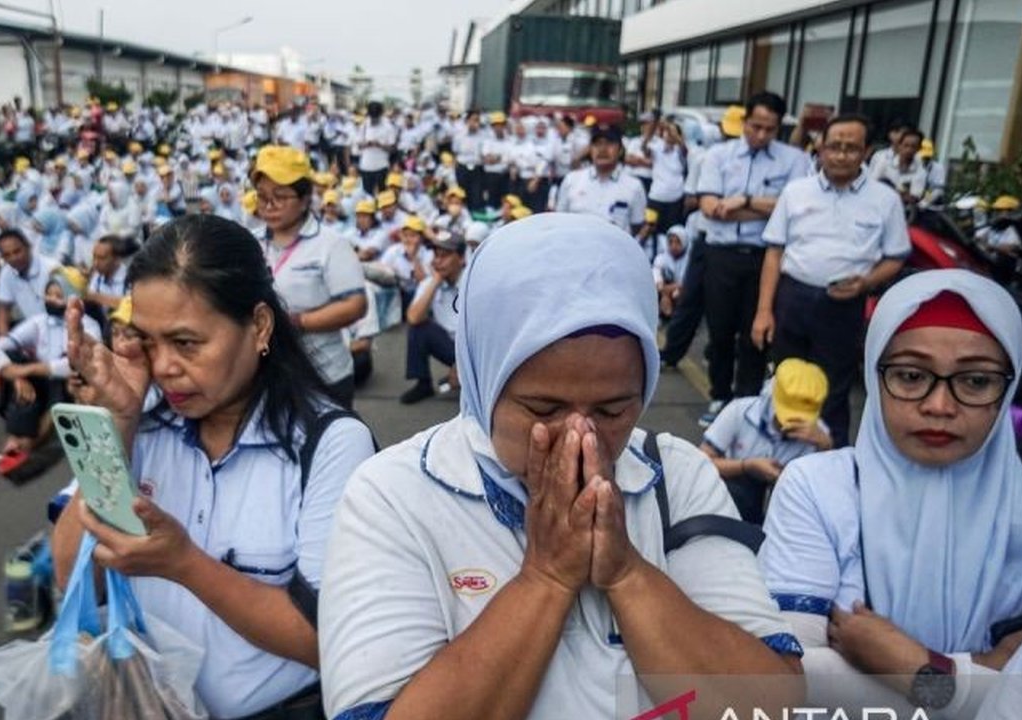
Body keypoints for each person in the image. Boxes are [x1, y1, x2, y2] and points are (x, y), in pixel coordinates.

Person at [319, 213, 803, 720]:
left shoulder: (674, 476)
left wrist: (627, 574)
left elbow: (769, 704)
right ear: (484, 381)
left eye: (614, 410)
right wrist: (546, 578)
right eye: (543, 409)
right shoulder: (394, 495)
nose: (580, 436)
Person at [53, 214, 376, 720]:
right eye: (148, 341)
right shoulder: (140, 424)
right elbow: (69, 572)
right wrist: (114, 425)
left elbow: (326, 640)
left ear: (260, 326)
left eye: (186, 343)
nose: (163, 368)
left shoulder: (330, 445)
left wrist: (186, 565)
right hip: (142, 704)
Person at [759, 270, 1022, 717]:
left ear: (1007, 390)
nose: (939, 405)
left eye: (975, 381)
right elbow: (784, 680)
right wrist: (994, 671)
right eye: (911, 375)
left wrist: (914, 669)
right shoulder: (817, 488)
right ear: (874, 375)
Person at [752, 115, 909, 448]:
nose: (841, 155)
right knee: (786, 378)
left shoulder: (885, 200)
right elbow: (774, 253)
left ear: (866, 152)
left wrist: (866, 283)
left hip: (843, 303)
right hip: (792, 297)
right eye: (834, 146)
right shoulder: (796, 192)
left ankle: (831, 460)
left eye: (851, 148)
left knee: (834, 388)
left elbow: (896, 257)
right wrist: (763, 311)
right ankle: (779, 454)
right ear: (820, 148)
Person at [696, 91, 811, 427]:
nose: (760, 135)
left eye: (769, 129)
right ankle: (719, 396)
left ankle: (745, 403)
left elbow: (794, 209)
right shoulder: (718, 156)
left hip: (766, 258)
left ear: (779, 129)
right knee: (719, 330)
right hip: (721, 256)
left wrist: (741, 201)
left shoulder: (794, 160)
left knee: (757, 334)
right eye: (755, 126)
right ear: (744, 121)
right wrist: (765, 208)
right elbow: (710, 208)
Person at [252, 145, 367, 408]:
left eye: (280, 196)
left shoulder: (331, 244)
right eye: (262, 196)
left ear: (305, 199)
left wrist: (296, 322)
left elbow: (354, 305)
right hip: (267, 375)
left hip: (323, 374)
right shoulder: (251, 243)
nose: (269, 205)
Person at [0, 267, 100, 468]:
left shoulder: (89, 326)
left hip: (66, 384)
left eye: (58, 295)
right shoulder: (38, 322)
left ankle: (32, 440)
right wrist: (17, 375)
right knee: (12, 360)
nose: (50, 299)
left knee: (68, 375)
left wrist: (29, 370)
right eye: (48, 293)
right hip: (38, 380)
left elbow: (76, 365)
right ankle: (16, 435)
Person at [700, 358, 831, 525]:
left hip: (787, 501)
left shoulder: (819, 435)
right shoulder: (739, 410)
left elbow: (825, 492)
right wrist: (746, 466)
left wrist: (826, 447)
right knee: (738, 493)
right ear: (770, 393)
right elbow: (702, 462)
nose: (794, 421)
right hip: (738, 491)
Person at [399, 230, 465, 405]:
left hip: (476, 348)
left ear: (461, 258)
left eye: (445, 255)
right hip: (449, 345)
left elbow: (486, 333)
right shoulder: (430, 282)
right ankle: (423, 383)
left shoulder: (473, 282)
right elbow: (413, 317)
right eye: (436, 255)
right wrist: (436, 281)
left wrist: (464, 364)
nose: (437, 260)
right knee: (419, 328)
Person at [555, 123, 648, 235]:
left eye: (609, 143)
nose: (603, 149)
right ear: (590, 149)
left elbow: (637, 226)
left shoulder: (634, 186)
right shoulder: (572, 180)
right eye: (597, 144)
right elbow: (559, 221)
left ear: (620, 150)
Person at [0, 229, 61, 338]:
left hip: (61, 329)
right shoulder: (6, 273)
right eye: (7, 255)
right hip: (35, 332)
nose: (13, 258)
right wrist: (3, 340)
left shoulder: (52, 268)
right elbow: (3, 310)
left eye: (17, 251)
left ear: (28, 247)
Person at [652, 224, 691, 320]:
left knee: (678, 294)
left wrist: (666, 291)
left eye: (678, 242)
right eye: (670, 242)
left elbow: (685, 283)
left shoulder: (689, 260)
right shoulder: (661, 258)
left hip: (678, 292)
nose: (674, 246)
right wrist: (663, 292)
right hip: (665, 290)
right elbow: (656, 277)